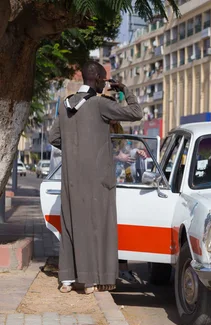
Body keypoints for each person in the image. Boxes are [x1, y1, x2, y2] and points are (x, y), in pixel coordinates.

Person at [49, 61, 143, 294]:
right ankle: (91, 281)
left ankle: (67, 280)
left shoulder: (65, 103)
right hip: (98, 178)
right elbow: (136, 113)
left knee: (71, 225)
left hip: (70, 178)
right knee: (95, 227)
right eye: (104, 79)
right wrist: (124, 91)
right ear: (100, 80)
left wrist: (74, 150)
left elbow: (53, 137)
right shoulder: (100, 103)